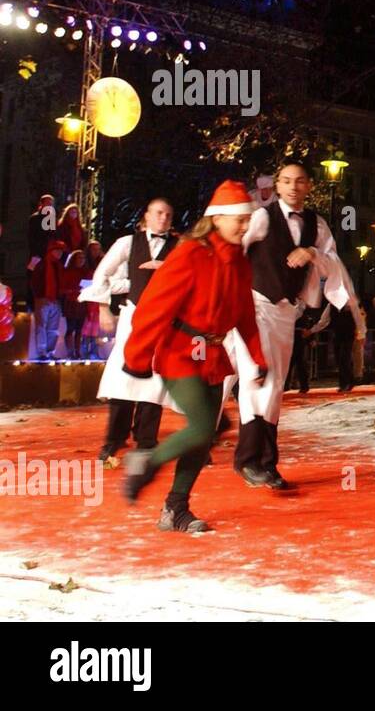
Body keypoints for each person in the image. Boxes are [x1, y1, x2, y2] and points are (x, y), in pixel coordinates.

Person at [120, 181, 267, 532]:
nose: (244, 226)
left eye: (247, 219)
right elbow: (154, 306)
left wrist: (258, 358)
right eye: (238, 219)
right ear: (216, 218)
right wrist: (137, 356)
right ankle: (147, 464)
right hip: (180, 352)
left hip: (213, 355)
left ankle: (175, 509)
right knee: (202, 426)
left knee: (204, 435)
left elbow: (246, 316)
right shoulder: (190, 253)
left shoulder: (240, 263)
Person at [222, 161, 354, 490]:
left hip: (285, 311)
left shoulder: (317, 224)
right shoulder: (263, 216)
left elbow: (332, 261)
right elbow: (231, 247)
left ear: (309, 186)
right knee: (258, 377)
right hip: (253, 304)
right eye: (286, 181)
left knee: (276, 384)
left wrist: (310, 252)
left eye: (299, 181)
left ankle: (265, 463)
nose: (293, 186)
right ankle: (249, 460)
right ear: (277, 187)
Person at [80, 198, 179, 460]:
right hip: (133, 318)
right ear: (146, 215)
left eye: (168, 215)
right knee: (123, 379)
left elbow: (197, 274)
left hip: (164, 321)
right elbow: (102, 274)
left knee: (156, 379)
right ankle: (114, 439)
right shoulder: (128, 243)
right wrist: (103, 308)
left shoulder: (179, 247)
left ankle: (146, 439)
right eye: (158, 213)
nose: (163, 219)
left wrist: (167, 267)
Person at [26, 194, 56, 312]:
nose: (49, 205)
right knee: (33, 280)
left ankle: (43, 304)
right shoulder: (35, 218)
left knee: (44, 280)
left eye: (51, 203)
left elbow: (52, 236)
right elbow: (32, 237)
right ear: (41, 204)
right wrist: (36, 253)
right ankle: (30, 305)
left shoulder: (51, 218)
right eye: (47, 203)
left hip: (47, 255)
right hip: (36, 255)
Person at [58, 249, 90, 359]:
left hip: (82, 303)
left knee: (79, 329)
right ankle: (70, 352)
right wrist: (72, 291)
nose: (82, 260)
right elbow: (62, 289)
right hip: (71, 303)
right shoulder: (67, 272)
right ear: (73, 259)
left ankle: (78, 351)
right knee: (70, 328)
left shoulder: (86, 272)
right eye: (79, 258)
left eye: (83, 258)